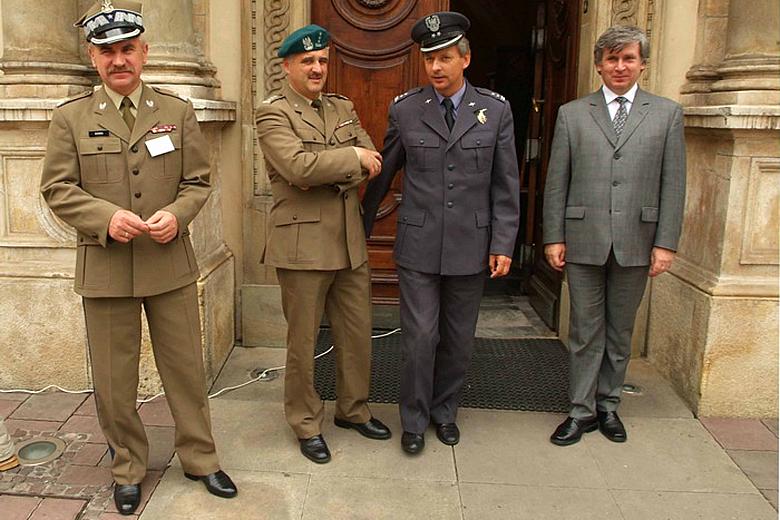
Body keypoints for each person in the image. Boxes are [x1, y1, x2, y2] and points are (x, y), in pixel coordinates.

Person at [40, 1, 236, 514]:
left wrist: (179, 213)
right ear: (92, 57)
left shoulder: (176, 111)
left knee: (185, 369)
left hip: (168, 263)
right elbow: (57, 188)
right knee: (112, 377)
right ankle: (127, 465)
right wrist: (104, 217)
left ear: (144, 53)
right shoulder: (71, 118)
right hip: (104, 267)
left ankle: (201, 458)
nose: (118, 59)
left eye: (128, 49)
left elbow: (198, 180)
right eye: (107, 50)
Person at [362, 12, 521, 455]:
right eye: (429, 58)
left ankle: (444, 412)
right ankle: (412, 419)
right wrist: (359, 227)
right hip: (418, 246)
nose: (436, 66)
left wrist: (503, 244)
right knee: (418, 338)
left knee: (457, 338)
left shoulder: (496, 111)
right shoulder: (406, 109)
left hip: (472, 246)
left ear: (465, 60)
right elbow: (383, 174)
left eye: (446, 57)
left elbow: (505, 184)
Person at [543, 25, 686, 446]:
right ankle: (580, 411)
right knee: (585, 330)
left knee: (620, 330)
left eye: (628, 58)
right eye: (611, 59)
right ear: (599, 65)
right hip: (583, 237)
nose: (619, 66)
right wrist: (553, 236)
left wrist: (666, 243)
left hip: (638, 240)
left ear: (642, 63)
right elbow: (557, 181)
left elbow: (673, 183)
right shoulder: (572, 113)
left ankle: (608, 406)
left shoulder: (666, 113)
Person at [255, 24, 391, 464]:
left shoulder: (341, 106)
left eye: (322, 62)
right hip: (302, 244)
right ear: (287, 66)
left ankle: (353, 409)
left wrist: (342, 163)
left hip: (349, 240)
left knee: (356, 333)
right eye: (307, 61)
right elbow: (297, 168)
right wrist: (348, 158)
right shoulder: (273, 113)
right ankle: (305, 422)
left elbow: (371, 158)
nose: (317, 69)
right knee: (303, 342)